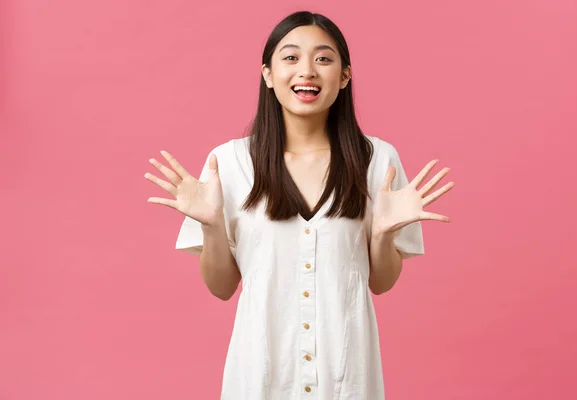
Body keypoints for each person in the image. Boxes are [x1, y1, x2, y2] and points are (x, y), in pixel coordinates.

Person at [144, 10, 454, 400]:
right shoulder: (231, 163)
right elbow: (222, 288)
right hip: (260, 378)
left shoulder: (377, 160)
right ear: (268, 74)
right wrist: (211, 225)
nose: (307, 70)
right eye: (290, 58)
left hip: (347, 379)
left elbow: (381, 282)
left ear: (344, 76)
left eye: (323, 59)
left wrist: (381, 234)